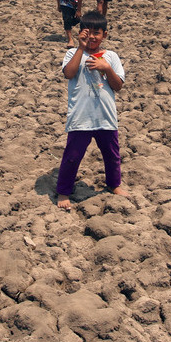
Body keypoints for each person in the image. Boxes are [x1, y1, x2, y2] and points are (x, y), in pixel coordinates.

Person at [56, 11, 127, 210]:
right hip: (81, 116)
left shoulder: (111, 56)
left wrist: (106, 68)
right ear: (81, 33)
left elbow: (118, 85)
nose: (92, 37)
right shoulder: (73, 54)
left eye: (97, 33)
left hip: (105, 116)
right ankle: (63, 190)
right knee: (72, 155)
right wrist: (80, 48)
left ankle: (114, 184)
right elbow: (68, 74)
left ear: (105, 34)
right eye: (88, 33)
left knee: (112, 154)